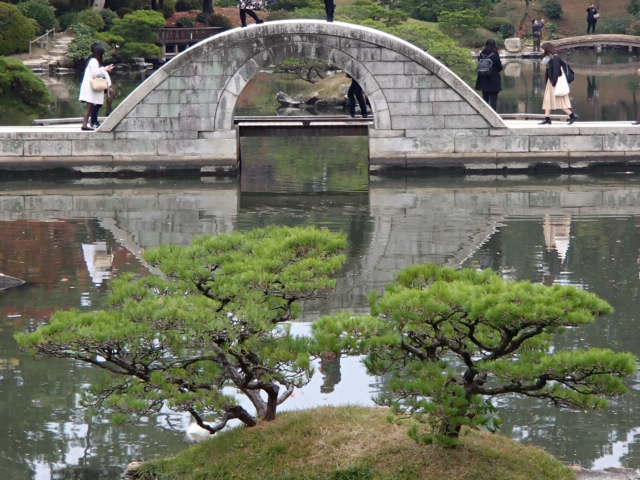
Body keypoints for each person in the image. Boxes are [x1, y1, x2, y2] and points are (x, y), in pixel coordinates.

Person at [539, 42, 577, 125]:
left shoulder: (555, 58)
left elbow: (556, 71)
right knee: (547, 100)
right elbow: (548, 70)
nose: (542, 50)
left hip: (555, 82)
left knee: (560, 101)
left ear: (547, 49)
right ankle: (547, 118)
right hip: (550, 82)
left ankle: (572, 116)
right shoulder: (549, 58)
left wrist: (554, 83)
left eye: (543, 49)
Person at [79, 43, 113, 131]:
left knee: (90, 107)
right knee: (89, 106)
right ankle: (85, 125)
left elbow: (96, 72)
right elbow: (95, 73)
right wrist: (105, 69)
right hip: (90, 87)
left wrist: (105, 69)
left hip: (90, 86)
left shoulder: (93, 60)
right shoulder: (94, 61)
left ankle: (85, 124)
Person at [474, 38, 503, 111]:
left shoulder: (481, 54)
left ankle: (485, 114)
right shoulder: (495, 54)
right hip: (493, 80)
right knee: (493, 101)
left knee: (485, 100)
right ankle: (494, 117)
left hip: (483, 79)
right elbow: (499, 67)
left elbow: (480, 65)